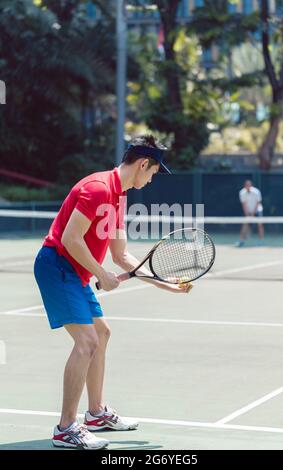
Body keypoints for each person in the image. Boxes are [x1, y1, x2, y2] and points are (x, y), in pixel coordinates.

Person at [34, 135, 192, 450]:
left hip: (76, 271)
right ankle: (66, 428)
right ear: (143, 164)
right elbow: (70, 238)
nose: (152, 179)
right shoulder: (98, 189)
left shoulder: (119, 197)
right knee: (87, 341)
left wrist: (164, 283)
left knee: (102, 334)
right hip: (57, 266)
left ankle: (96, 414)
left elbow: (121, 255)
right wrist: (101, 273)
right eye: (153, 172)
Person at [236, 180, 264, 247]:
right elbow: (244, 204)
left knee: (260, 224)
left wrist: (254, 213)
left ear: (251, 186)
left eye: (249, 185)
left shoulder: (256, 192)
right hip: (248, 211)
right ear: (245, 186)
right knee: (245, 224)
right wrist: (247, 214)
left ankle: (261, 240)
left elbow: (258, 203)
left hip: (258, 210)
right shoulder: (242, 193)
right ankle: (242, 241)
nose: (248, 187)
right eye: (246, 185)